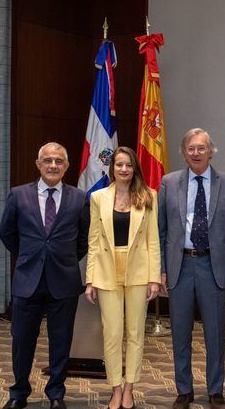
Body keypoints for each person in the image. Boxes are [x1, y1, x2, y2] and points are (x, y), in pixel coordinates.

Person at [0, 142, 89, 409]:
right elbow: (7, 233)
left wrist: (65, 259)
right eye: (48, 161)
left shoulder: (79, 198)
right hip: (27, 281)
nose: (53, 165)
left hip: (64, 281)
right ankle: (18, 394)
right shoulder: (18, 195)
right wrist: (29, 256)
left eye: (59, 161)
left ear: (67, 166)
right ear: (38, 164)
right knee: (22, 340)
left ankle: (56, 394)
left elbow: (84, 238)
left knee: (61, 341)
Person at [158, 128, 225, 409]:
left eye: (201, 148)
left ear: (211, 151)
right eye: (191, 148)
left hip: (212, 266)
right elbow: (160, 231)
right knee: (180, 332)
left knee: (215, 334)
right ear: (184, 152)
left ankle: (215, 390)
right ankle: (184, 389)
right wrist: (161, 269)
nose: (196, 153)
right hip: (179, 266)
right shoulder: (169, 183)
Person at [84, 146, 161, 409]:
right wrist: (90, 279)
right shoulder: (98, 198)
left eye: (128, 165)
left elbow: (153, 241)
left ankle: (130, 388)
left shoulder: (149, 196)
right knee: (112, 333)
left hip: (138, 270)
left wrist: (154, 278)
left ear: (134, 167)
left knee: (136, 333)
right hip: (106, 270)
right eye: (119, 165)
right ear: (112, 168)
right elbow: (93, 241)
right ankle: (115, 389)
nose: (124, 169)